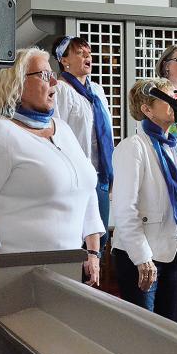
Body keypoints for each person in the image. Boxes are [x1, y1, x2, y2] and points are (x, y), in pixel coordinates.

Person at [0, 48, 104, 354]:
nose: (54, 83)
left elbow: (86, 189)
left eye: (53, 75)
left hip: (62, 276)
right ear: (16, 83)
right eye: (44, 75)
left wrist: (94, 251)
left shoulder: (65, 131)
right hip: (9, 281)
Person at [111, 78, 177, 323]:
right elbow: (125, 208)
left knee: (173, 330)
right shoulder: (133, 146)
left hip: (173, 252)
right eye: (168, 98)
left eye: (176, 95)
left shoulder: (175, 146)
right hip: (141, 255)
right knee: (146, 332)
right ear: (147, 109)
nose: (176, 101)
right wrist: (143, 258)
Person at [51, 36, 115, 251]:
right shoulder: (61, 89)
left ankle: (89, 284)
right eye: (80, 53)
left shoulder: (97, 90)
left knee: (101, 237)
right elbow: (57, 133)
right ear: (64, 60)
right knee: (77, 239)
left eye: (89, 52)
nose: (88, 56)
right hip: (76, 176)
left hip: (100, 175)